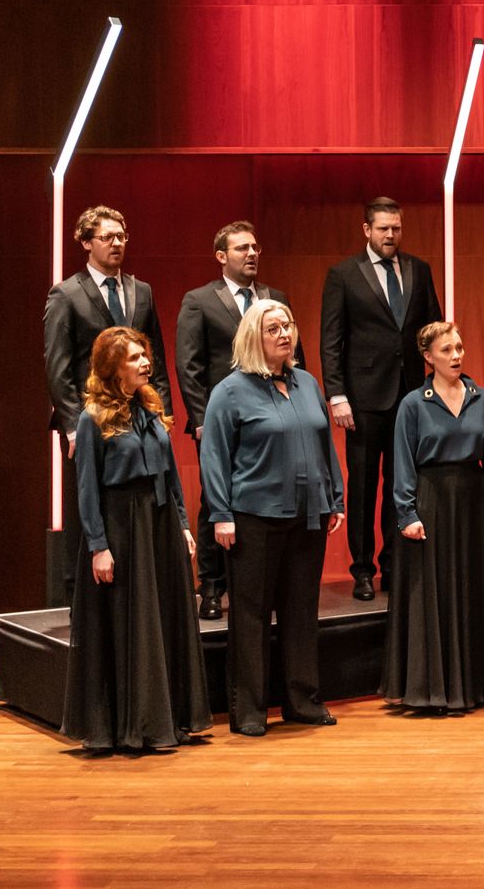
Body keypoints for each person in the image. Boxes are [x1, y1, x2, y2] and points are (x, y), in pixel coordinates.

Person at [61, 326, 210, 751]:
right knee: (133, 622)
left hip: (160, 523)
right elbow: (87, 490)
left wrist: (182, 524)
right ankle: (131, 726)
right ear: (112, 368)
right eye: (134, 358)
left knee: (162, 619)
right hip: (122, 528)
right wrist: (98, 546)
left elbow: (170, 473)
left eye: (144, 355)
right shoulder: (92, 420)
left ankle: (168, 718)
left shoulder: (148, 408)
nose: (146, 362)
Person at [201, 300, 346, 736]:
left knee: (301, 612)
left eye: (289, 325)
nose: (285, 333)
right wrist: (221, 514)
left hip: (308, 515)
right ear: (253, 337)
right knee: (251, 615)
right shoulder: (229, 391)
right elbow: (214, 457)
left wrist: (334, 497)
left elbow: (324, 446)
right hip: (253, 517)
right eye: (274, 328)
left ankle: (302, 701)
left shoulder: (306, 383)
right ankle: (249, 710)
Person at [44, 205, 173, 607]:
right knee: (87, 508)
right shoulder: (66, 293)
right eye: (107, 237)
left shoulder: (142, 290)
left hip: (138, 419)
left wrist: (161, 415)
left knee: (143, 502)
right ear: (86, 242)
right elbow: (58, 365)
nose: (117, 243)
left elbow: (158, 362)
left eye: (122, 236)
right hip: (91, 420)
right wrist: (71, 426)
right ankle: (78, 600)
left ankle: (139, 594)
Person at [383, 322, 484, 713]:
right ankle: (432, 688)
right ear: (428, 357)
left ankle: (476, 685)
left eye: (459, 347)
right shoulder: (413, 403)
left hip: (472, 501)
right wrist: (407, 513)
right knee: (433, 591)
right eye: (447, 350)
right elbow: (402, 462)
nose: (457, 355)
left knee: (472, 587)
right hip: (431, 501)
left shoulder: (481, 398)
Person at [174, 220, 301, 620]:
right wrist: (199, 419)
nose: (251, 254)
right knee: (217, 500)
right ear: (221, 256)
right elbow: (188, 365)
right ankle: (211, 586)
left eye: (254, 247)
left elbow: (295, 356)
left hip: (272, 418)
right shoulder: (199, 300)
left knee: (267, 500)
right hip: (221, 418)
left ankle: (269, 587)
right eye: (241, 248)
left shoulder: (274, 297)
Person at [320, 197, 442, 601]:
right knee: (364, 487)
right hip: (363, 399)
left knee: (402, 485)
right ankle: (361, 570)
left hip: (410, 397)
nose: (391, 236)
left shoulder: (418, 270)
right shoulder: (343, 274)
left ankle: (394, 566)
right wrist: (336, 395)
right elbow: (331, 341)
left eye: (396, 228)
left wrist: (435, 388)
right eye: (384, 229)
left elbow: (433, 332)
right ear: (367, 230)